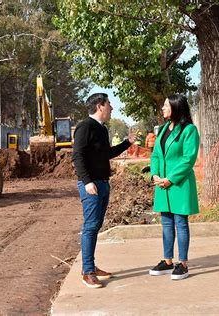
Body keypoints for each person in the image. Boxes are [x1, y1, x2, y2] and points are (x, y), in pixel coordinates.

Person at [72, 93, 135, 288]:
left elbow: (107, 153)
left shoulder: (101, 129)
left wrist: (127, 142)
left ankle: (91, 266)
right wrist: (87, 181)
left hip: (102, 184)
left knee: (96, 226)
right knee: (90, 226)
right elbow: (77, 157)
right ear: (100, 106)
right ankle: (87, 272)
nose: (111, 108)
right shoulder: (85, 126)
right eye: (109, 104)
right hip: (91, 185)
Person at [148, 94, 200, 280]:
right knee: (166, 224)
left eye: (165, 106)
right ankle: (167, 261)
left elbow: (188, 159)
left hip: (178, 184)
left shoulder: (189, 130)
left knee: (181, 223)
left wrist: (170, 179)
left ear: (176, 108)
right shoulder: (163, 130)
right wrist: (155, 174)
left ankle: (183, 263)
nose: (162, 109)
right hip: (162, 185)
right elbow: (155, 154)